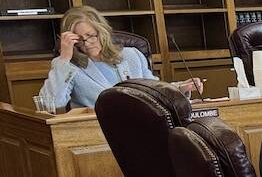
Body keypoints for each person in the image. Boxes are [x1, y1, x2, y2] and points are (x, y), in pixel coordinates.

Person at [37, 6, 202, 111]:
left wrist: (181, 88)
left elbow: (153, 89)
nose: (86, 44)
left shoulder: (132, 55)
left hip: (140, 125)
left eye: (91, 36)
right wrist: (64, 59)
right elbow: (51, 103)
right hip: (98, 133)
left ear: (102, 31)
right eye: (79, 40)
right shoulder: (70, 67)